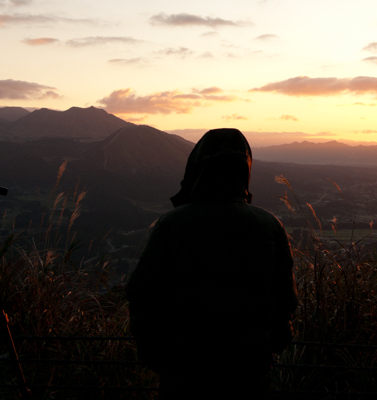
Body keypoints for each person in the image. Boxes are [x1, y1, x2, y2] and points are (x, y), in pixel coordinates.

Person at [125, 128, 297, 398]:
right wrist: (268, 347)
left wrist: (156, 357)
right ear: (245, 170)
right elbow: (286, 301)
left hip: (183, 373)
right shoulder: (270, 226)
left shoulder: (171, 225)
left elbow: (142, 296)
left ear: (196, 169)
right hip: (249, 373)